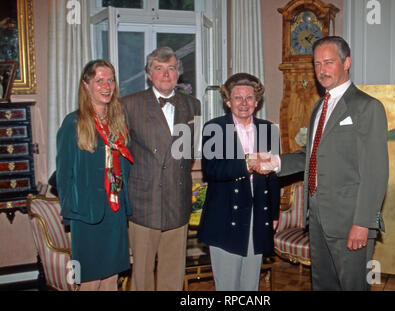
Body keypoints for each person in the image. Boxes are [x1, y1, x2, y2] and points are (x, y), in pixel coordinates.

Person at [255, 36, 389, 290]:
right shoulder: (319, 106)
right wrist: (273, 162)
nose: (321, 70)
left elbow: (376, 172)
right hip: (316, 218)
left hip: (350, 221)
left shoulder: (367, 107)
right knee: (323, 285)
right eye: (317, 64)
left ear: (346, 62)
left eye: (329, 62)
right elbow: (312, 154)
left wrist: (363, 223)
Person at [122, 46, 201, 291]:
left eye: (171, 69)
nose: (166, 75)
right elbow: (121, 156)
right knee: (142, 276)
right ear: (148, 73)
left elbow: (187, 154)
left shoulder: (193, 105)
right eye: (159, 69)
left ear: (178, 73)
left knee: (173, 274)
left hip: (177, 201)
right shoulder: (129, 105)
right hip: (144, 203)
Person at [198, 73, 281, 291]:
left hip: (257, 214)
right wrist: (248, 163)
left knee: (250, 284)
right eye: (238, 98)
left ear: (257, 101)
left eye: (249, 98)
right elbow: (211, 169)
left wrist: (273, 214)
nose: (244, 103)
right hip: (225, 215)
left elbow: (273, 177)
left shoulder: (268, 129)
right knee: (228, 286)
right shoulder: (214, 128)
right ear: (228, 101)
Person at [56, 59, 133, 291]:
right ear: (86, 85)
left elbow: (126, 170)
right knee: (90, 281)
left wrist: (126, 207)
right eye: (99, 80)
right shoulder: (73, 123)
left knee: (111, 279)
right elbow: (64, 176)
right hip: (86, 215)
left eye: (110, 80)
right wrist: (72, 217)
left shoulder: (118, 122)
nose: (106, 86)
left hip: (115, 213)